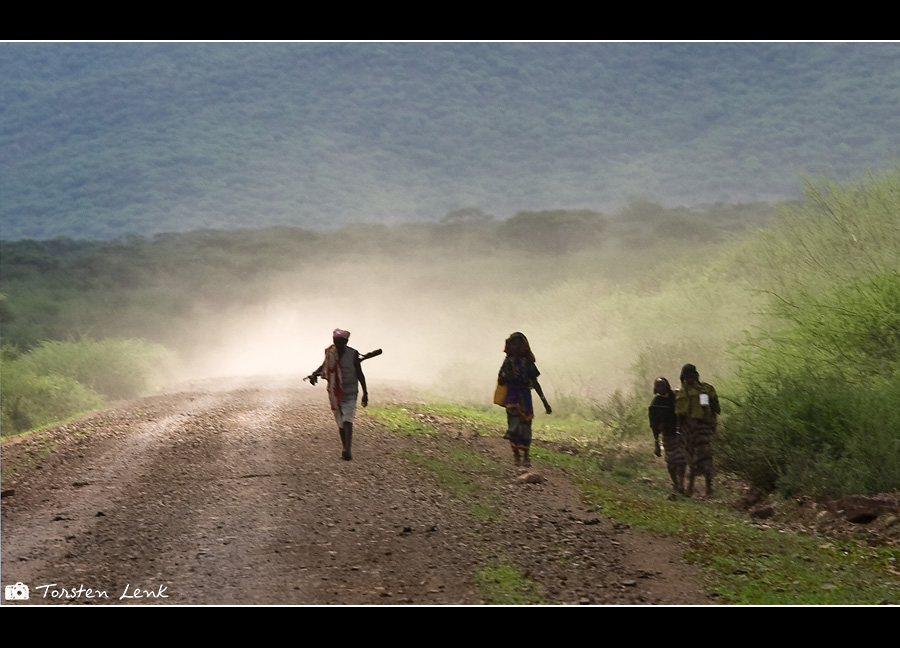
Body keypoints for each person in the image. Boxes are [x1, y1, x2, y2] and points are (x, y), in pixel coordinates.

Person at [307, 328, 368, 461]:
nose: (338, 344)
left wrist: (365, 393)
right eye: (336, 341)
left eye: (341, 342)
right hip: (335, 392)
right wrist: (314, 374)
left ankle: (348, 450)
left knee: (348, 419)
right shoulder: (330, 352)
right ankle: (344, 447)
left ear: (346, 342)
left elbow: (360, 374)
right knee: (340, 421)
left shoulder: (353, 354)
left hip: (350, 391)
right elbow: (325, 367)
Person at [497, 332, 551, 467]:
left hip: (525, 397)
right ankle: (516, 455)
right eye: (513, 344)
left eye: (519, 344)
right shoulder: (507, 362)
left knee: (526, 425)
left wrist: (544, 401)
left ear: (524, 346)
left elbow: (535, 382)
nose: (516, 346)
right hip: (512, 397)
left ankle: (526, 456)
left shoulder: (528, 363)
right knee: (513, 426)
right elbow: (501, 379)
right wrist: (507, 375)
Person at [674, 364, 719, 497]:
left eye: (692, 375)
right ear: (683, 377)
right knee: (691, 459)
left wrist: (712, 426)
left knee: (706, 457)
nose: (690, 378)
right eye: (687, 376)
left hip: (703, 428)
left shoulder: (706, 390)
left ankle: (709, 488)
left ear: (696, 375)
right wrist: (679, 431)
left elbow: (714, 409)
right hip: (688, 430)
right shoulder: (681, 393)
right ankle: (690, 487)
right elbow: (679, 415)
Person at [648, 377, 686, 495]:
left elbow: (682, 413)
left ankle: (681, 484)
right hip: (667, 435)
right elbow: (654, 424)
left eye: (662, 385)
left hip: (680, 433)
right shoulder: (655, 403)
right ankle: (674, 483)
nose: (660, 387)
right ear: (655, 388)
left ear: (667, 385)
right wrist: (656, 443)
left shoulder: (675, 398)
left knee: (681, 460)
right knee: (670, 462)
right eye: (658, 385)